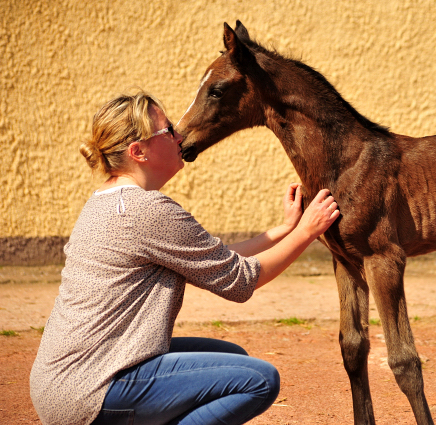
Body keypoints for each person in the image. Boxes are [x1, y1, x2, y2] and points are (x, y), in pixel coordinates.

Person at [30, 91, 340, 425]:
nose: (180, 135)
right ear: (138, 151)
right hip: (91, 392)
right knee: (259, 380)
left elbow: (216, 259)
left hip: (64, 383)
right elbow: (241, 280)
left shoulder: (106, 202)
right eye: (168, 131)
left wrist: (284, 230)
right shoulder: (147, 211)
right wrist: (307, 232)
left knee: (231, 359)